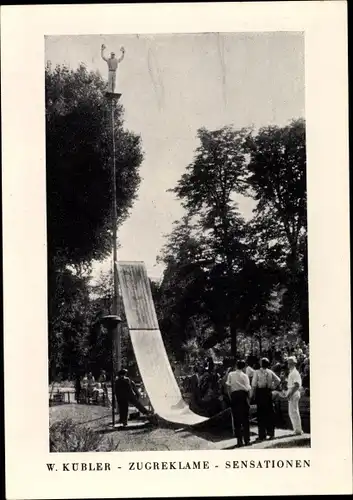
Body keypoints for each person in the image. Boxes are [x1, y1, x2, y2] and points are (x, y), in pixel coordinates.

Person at [251, 357, 281, 441]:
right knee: (269, 413)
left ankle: (262, 435)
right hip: (268, 393)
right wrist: (272, 387)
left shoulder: (256, 372)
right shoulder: (270, 371)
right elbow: (278, 380)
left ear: (261, 364)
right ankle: (271, 434)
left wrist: (252, 395)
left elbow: (253, 385)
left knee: (261, 414)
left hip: (260, 393)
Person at [226, 359, 251, 447]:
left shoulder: (231, 374)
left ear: (236, 366)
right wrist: (248, 399)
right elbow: (248, 389)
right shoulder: (245, 376)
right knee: (245, 419)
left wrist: (231, 397)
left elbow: (228, 387)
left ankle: (239, 441)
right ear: (243, 367)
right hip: (243, 396)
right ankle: (247, 440)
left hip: (235, 396)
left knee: (237, 419)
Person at [286, 356, 303, 435]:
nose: (288, 364)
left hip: (294, 393)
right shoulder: (291, 372)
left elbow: (296, 385)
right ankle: (296, 429)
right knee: (292, 412)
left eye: (290, 363)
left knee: (294, 412)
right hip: (293, 393)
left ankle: (298, 430)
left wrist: (290, 393)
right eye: (288, 363)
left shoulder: (295, 373)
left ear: (293, 363)